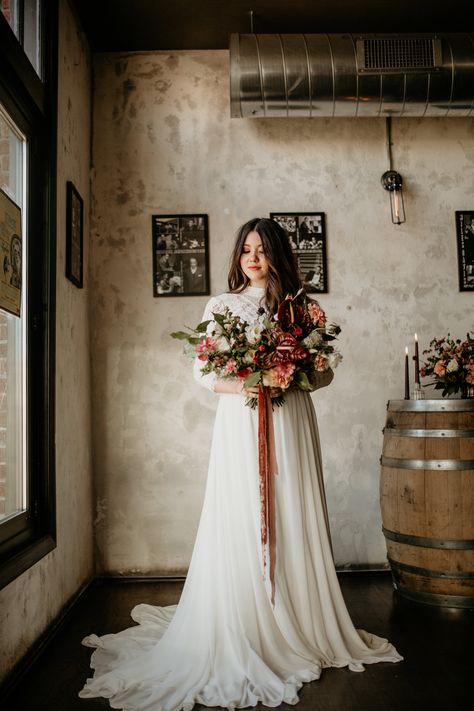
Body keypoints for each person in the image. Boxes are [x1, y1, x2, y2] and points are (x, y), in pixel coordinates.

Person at [79, 218, 402, 710]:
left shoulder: (303, 307)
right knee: (244, 513)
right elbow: (203, 371)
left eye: (262, 249)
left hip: (291, 419)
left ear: (278, 255)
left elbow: (325, 373)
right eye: (246, 249)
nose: (253, 257)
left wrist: (298, 372)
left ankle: (297, 616)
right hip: (243, 420)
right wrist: (251, 383)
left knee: (290, 507)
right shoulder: (221, 305)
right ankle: (246, 614)